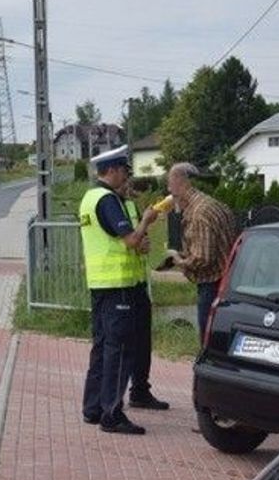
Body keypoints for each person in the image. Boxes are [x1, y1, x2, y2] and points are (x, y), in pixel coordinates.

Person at [80, 147, 160, 435]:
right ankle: (112, 413)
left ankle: (93, 408)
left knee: (102, 348)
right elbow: (130, 240)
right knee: (119, 349)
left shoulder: (90, 197)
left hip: (101, 286)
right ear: (112, 170)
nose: (127, 175)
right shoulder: (108, 200)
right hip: (119, 287)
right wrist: (147, 220)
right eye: (125, 170)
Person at [165, 162, 241, 340]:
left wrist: (178, 261)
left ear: (181, 183)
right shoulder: (214, 204)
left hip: (212, 285)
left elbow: (203, 258)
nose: (169, 190)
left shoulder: (199, 213)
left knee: (208, 341)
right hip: (230, 281)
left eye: (169, 184)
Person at [119, 176, 170, 412]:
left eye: (129, 184)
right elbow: (125, 240)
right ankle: (114, 395)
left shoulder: (130, 206)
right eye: (125, 184)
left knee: (142, 341)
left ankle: (140, 390)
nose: (129, 189)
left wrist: (144, 241)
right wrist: (142, 230)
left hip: (138, 280)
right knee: (122, 343)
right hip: (119, 284)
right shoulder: (109, 205)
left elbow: (139, 239)